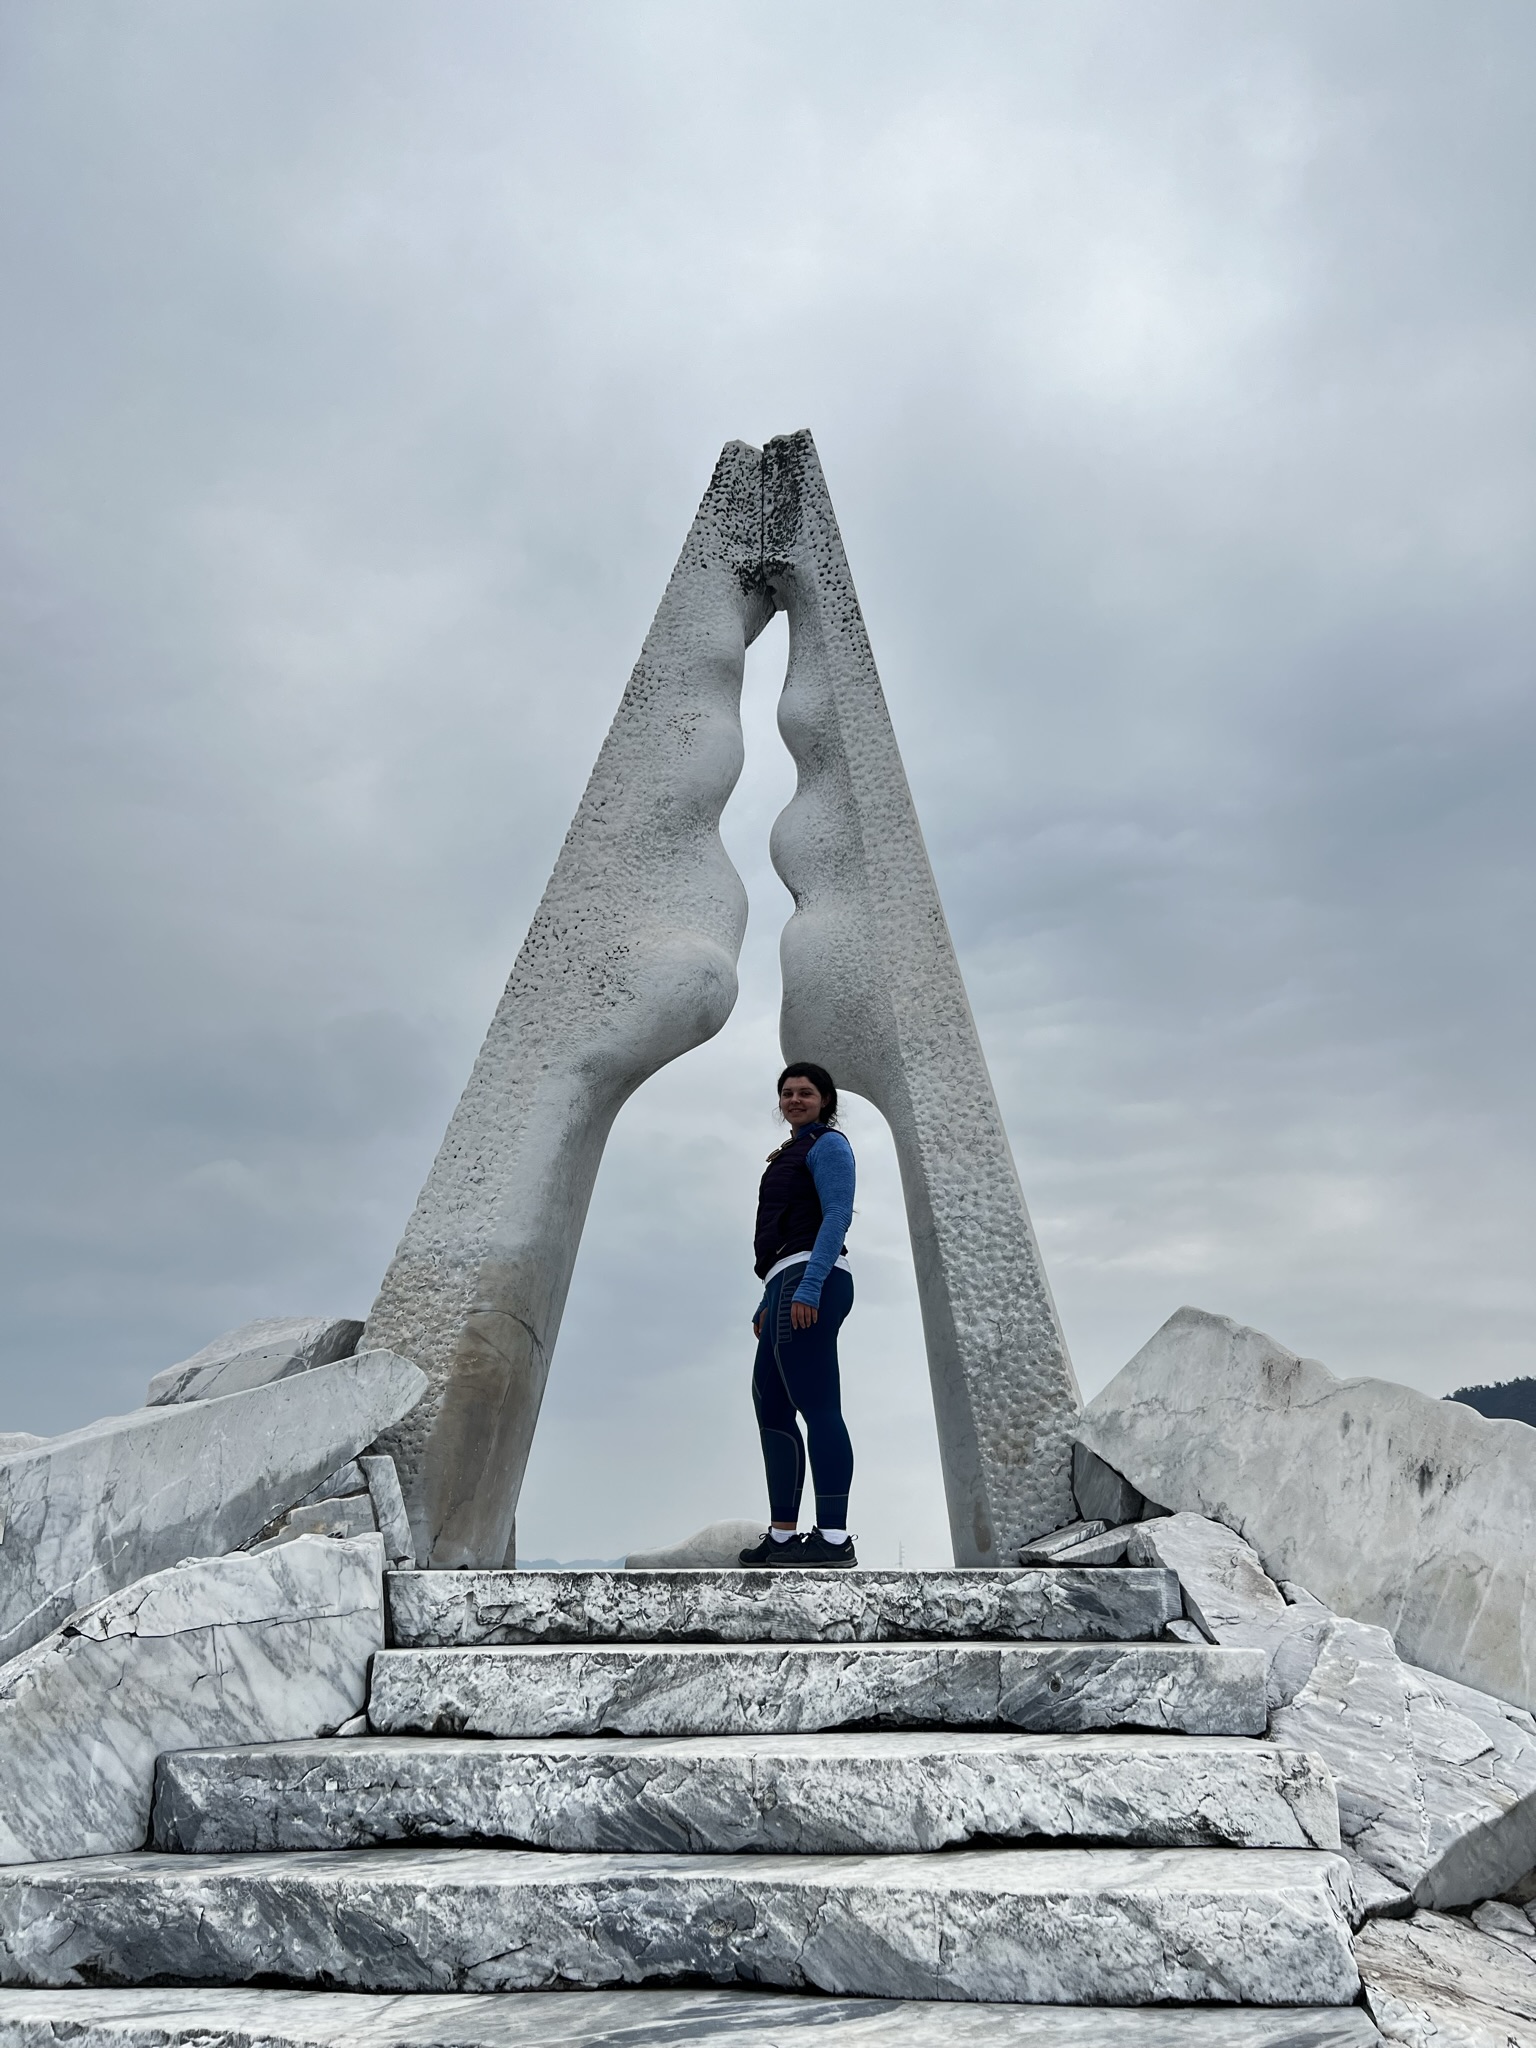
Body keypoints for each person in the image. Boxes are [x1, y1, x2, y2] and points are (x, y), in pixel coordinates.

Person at [740, 1062, 858, 1568]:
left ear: (826, 1099)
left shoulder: (829, 1145)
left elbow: (836, 1215)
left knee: (818, 1405)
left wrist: (808, 1286)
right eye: (787, 1093)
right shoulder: (788, 1151)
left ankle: (833, 1539)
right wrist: (769, 1300)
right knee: (770, 1406)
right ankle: (783, 1535)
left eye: (805, 1092)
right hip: (783, 1281)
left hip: (815, 1276)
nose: (794, 1099)